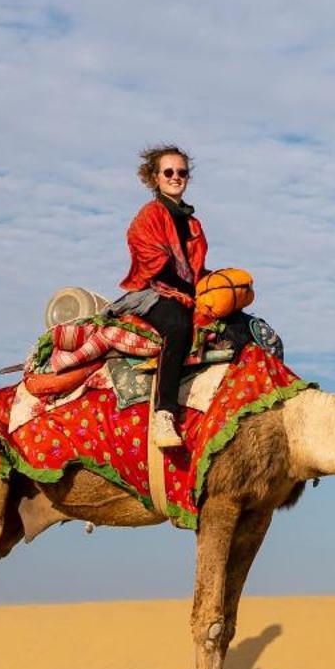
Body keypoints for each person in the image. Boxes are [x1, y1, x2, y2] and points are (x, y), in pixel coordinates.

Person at [114, 144, 210, 450]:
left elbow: (195, 270)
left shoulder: (193, 224)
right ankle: (164, 412)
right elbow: (154, 264)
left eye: (181, 172)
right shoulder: (148, 217)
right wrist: (190, 291)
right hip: (151, 291)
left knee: (238, 325)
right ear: (155, 177)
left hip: (186, 293)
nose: (176, 177)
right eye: (169, 172)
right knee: (179, 326)